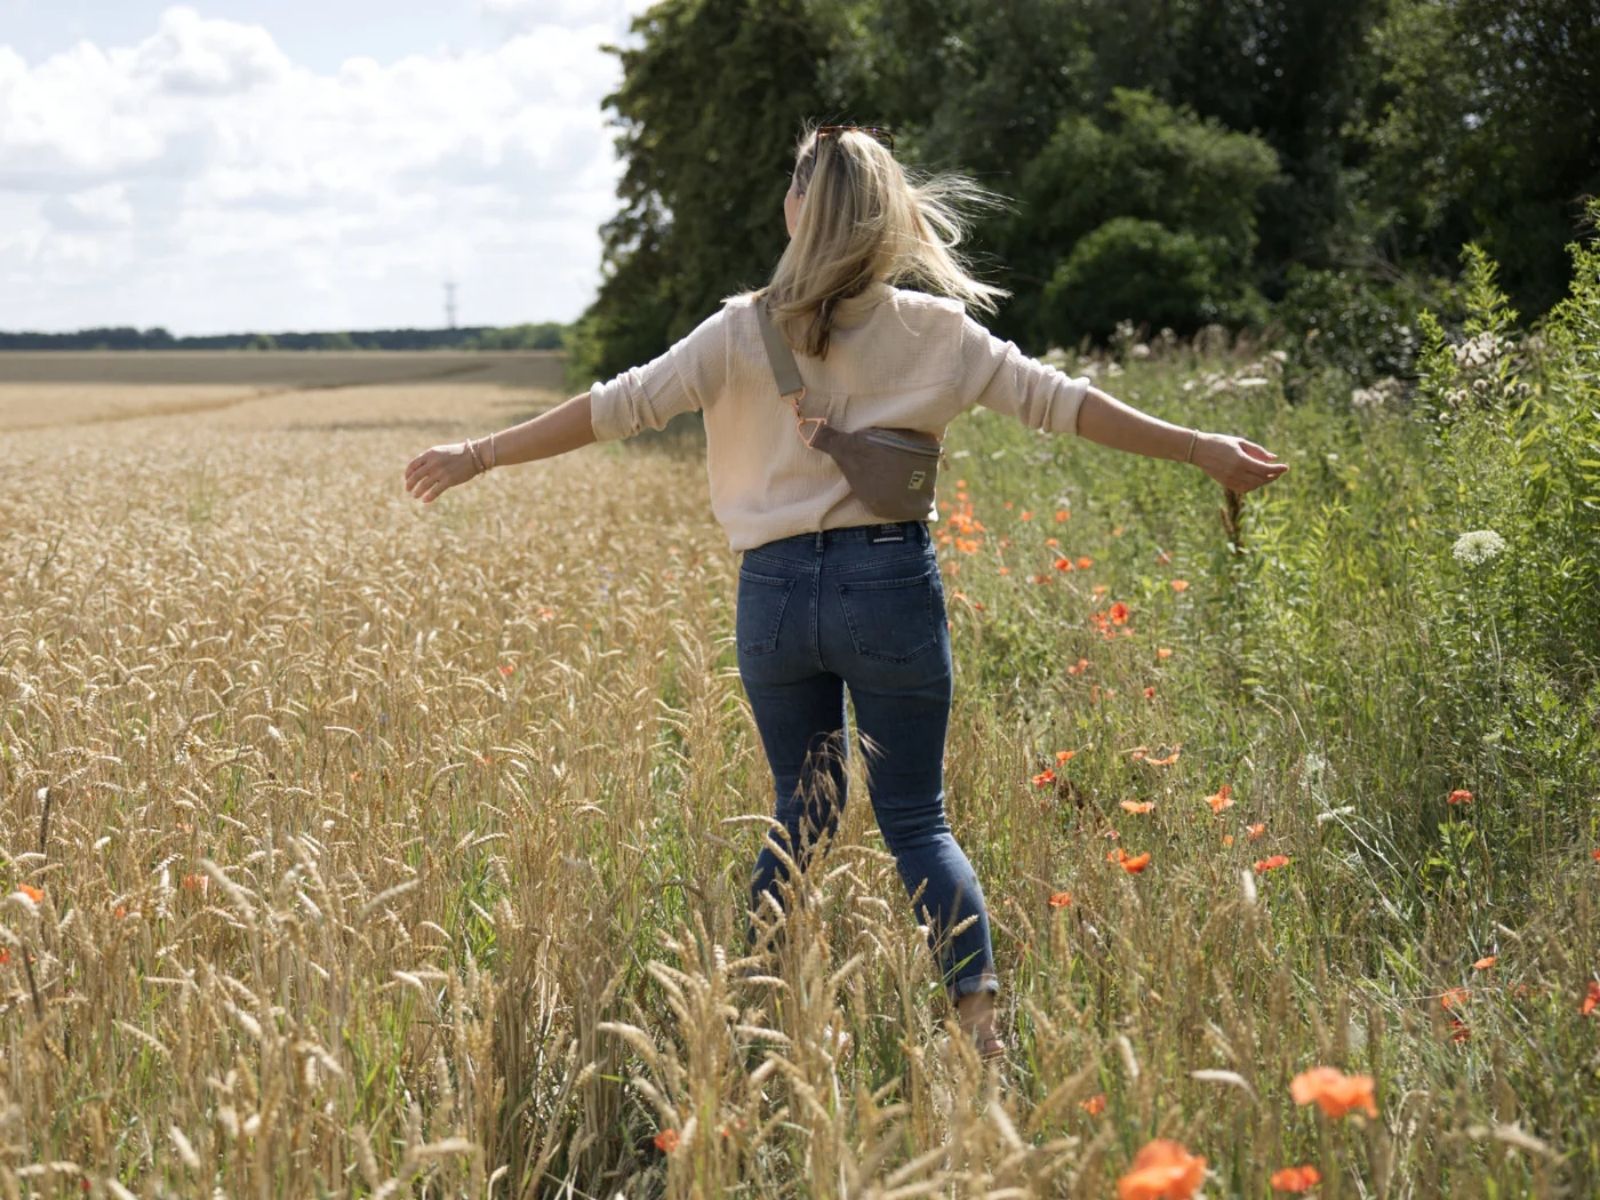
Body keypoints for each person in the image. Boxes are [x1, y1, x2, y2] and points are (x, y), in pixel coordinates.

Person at [403, 120, 1290, 1063]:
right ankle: (981, 1036)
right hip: (889, 584)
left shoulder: (736, 333)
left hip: (775, 595)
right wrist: (1200, 447)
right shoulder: (938, 333)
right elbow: (1062, 403)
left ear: (800, 210)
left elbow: (614, 407)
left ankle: (741, 1024)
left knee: (804, 807)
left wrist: (479, 453)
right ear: (888, 217)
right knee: (916, 820)